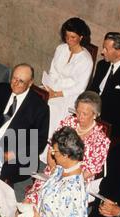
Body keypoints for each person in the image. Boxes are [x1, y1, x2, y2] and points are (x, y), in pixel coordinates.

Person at [16, 91, 110, 217]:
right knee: (27, 205)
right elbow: (53, 151)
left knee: (42, 212)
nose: (79, 117)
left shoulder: (101, 140)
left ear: (95, 115)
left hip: (73, 186)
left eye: (85, 113)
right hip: (52, 175)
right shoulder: (68, 122)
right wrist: (54, 170)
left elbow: (88, 172)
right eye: (78, 111)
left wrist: (60, 177)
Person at [0, 63, 50, 184]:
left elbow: (40, 142)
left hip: (18, 154)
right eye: (14, 78)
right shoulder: (1, 89)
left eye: (21, 81)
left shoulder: (40, 108)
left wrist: (13, 154)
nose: (15, 83)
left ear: (30, 83)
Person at [40, 17, 93, 163]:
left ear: (81, 37)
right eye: (67, 36)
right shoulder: (60, 49)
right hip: (53, 88)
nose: (69, 40)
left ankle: (47, 155)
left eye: (73, 37)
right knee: (36, 99)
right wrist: (50, 87)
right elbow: (53, 71)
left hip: (70, 96)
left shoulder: (86, 60)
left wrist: (57, 94)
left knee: (50, 108)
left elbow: (79, 87)